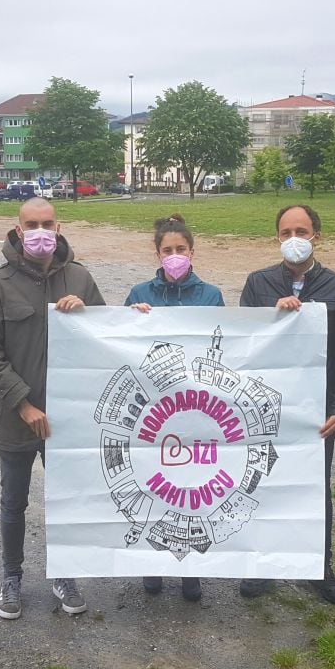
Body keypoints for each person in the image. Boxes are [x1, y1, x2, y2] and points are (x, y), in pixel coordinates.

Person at [0, 197, 106, 620]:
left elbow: (109, 338)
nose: (40, 231)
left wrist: (87, 315)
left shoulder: (80, 278)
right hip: (17, 417)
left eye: (47, 223)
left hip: (66, 419)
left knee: (65, 500)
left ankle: (63, 573)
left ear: (59, 226)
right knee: (14, 501)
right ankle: (11, 577)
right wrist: (23, 404)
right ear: (18, 227)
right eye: (32, 224)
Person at [237, 204, 335, 605]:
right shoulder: (258, 283)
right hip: (265, 407)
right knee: (262, 481)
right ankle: (263, 564)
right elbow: (243, 340)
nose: (294, 239)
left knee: (313, 486)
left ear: (316, 237)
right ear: (277, 238)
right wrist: (274, 315)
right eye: (286, 231)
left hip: (314, 412)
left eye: (301, 231)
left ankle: (318, 567)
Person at [124, 214, 225, 602]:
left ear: (192, 252)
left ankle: (190, 570)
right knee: (154, 486)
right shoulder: (139, 293)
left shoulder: (211, 295)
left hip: (197, 407)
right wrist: (131, 320)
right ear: (157, 253)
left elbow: (222, 345)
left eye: (181, 249)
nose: (175, 255)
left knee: (190, 489)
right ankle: (153, 565)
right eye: (168, 251)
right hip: (153, 410)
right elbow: (120, 347)